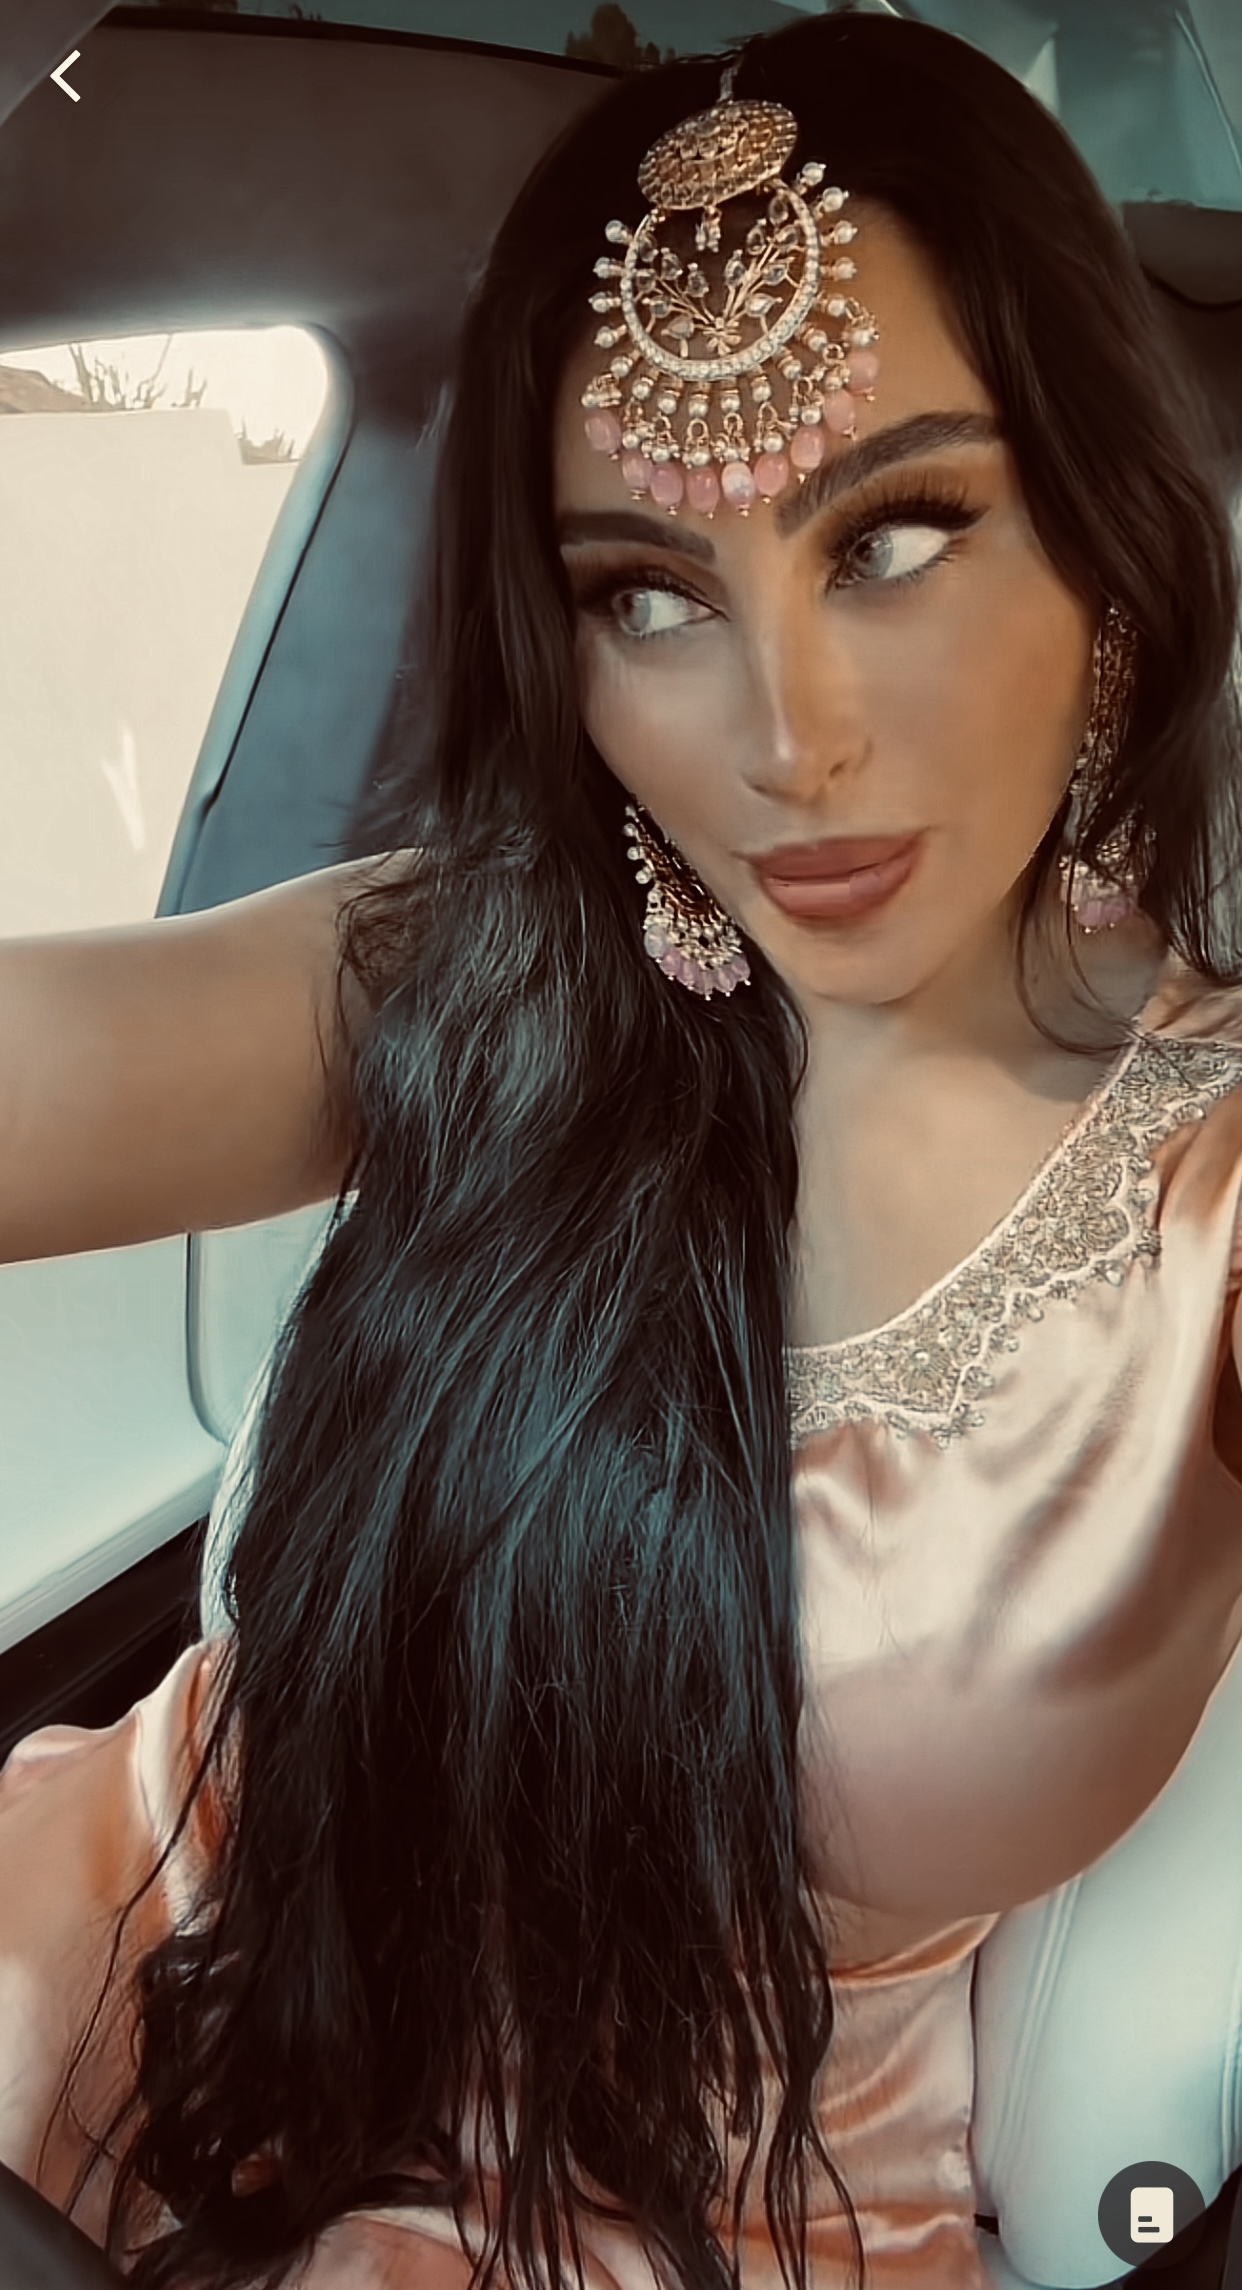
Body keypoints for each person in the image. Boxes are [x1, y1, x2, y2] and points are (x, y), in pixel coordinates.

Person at [1, 11, 1242, 2288]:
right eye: (645, 593)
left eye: (896, 535)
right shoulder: (484, 967)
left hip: (725, 2207)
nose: (785, 734)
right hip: (129, 1959)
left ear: (1112, 562)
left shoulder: (1212, 1186)